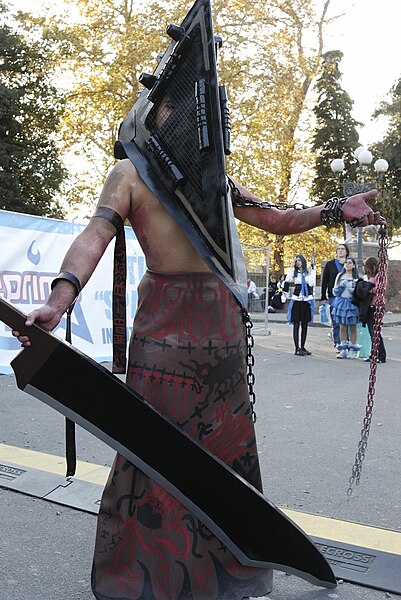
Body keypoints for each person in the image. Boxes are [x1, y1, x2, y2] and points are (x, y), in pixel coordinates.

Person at [11, 1, 384, 597]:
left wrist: (338, 209)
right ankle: (148, 574)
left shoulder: (209, 181)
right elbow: (93, 236)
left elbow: (279, 222)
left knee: (220, 456)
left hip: (216, 332)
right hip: (169, 328)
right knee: (154, 449)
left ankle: (221, 569)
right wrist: (60, 300)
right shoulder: (131, 175)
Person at [285, 254, 315, 356]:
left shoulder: (308, 273)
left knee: (305, 324)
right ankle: (297, 348)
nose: (297, 262)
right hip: (297, 300)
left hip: (306, 300)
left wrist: (313, 270)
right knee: (296, 325)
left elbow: (311, 283)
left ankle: (303, 346)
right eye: (296, 261)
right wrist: (290, 266)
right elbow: (288, 280)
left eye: (299, 260)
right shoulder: (294, 273)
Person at [320, 243, 349, 347]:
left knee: (346, 320)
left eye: (342, 249)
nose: (340, 251)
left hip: (347, 296)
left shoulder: (349, 263)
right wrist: (323, 296)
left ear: (346, 252)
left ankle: (347, 341)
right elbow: (325, 281)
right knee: (336, 320)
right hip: (334, 296)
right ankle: (338, 342)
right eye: (338, 249)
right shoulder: (330, 264)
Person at [332, 257, 360, 359]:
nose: (347, 264)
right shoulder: (340, 276)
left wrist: (356, 289)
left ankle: (352, 349)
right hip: (341, 303)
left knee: (353, 327)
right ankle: (343, 349)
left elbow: (360, 293)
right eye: (346, 263)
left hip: (352, 303)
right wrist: (341, 287)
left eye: (350, 263)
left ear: (353, 265)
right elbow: (334, 292)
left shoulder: (356, 277)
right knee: (342, 326)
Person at [363, 256, 387, 363]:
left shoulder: (380, 276)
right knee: (371, 332)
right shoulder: (371, 276)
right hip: (370, 305)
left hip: (377, 305)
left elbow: (380, 289)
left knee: (375, 332)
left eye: (367, 267)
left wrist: (368, 289)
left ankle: (380, 355)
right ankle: (373, 354)